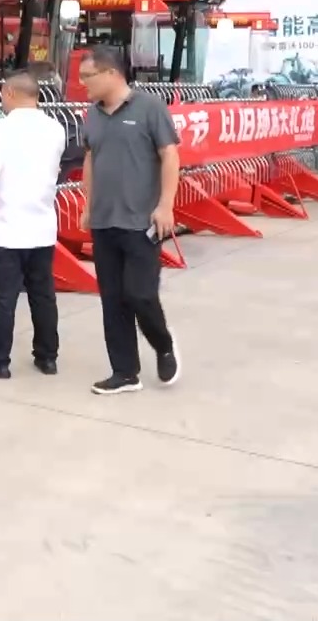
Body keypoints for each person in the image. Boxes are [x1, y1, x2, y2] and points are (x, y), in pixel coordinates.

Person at [77, 45, 182, 396]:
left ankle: (163, 344)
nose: (83, 83)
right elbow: (91, 159)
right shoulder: (92, 115)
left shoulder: (149, 108)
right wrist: (88, 205)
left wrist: (166, 205)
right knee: (113, 299)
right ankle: (124, 372)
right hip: (104, 221)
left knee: (140, 294)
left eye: (88, 76)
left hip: (141, 221)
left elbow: (170, 155)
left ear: (111, 74)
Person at [0, 70, 66, 380]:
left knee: (1, 299)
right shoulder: (56, 129)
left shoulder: (3, 129)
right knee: (42, 295)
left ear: (8, 93)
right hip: (42, 228)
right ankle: (47, 357)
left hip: (6, 230)